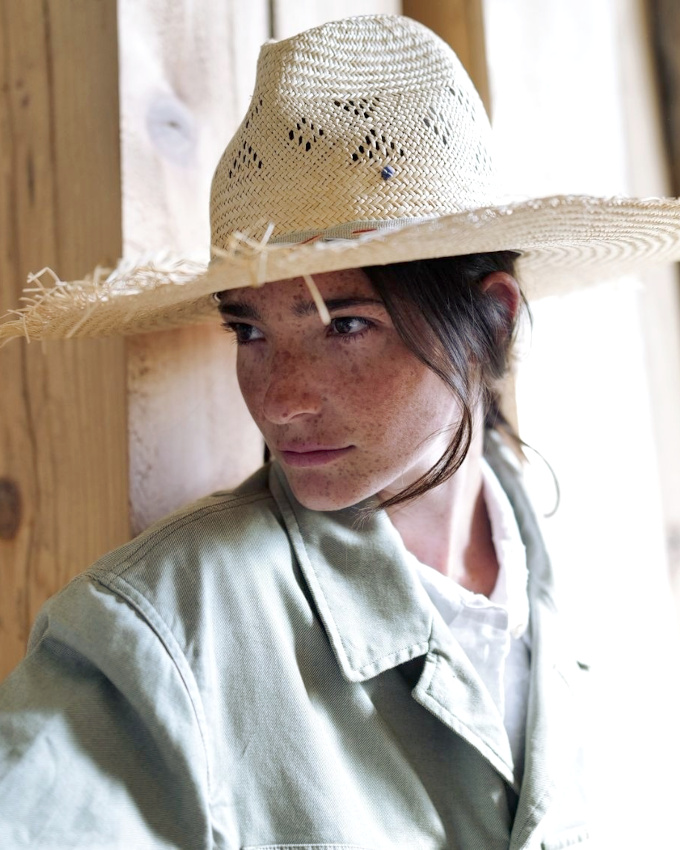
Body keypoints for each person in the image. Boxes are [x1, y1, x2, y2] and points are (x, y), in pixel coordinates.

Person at [2, 13, 680, 850]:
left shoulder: (586, 579)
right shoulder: (161, 632)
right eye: (248, 331)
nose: (281, 399)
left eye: (345, 325)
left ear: (493, 321)